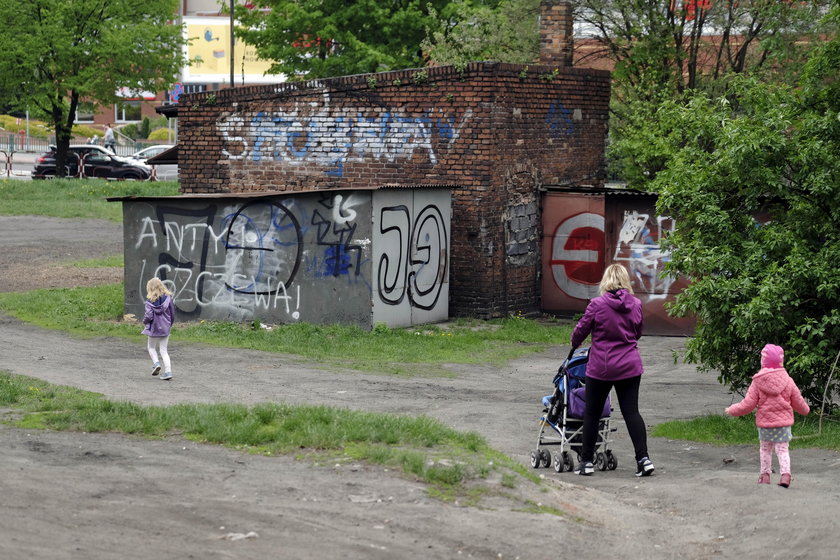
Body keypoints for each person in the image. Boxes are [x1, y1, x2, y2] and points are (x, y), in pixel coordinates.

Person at [570, 263, 654, 477]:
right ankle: (643, 460)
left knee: (592, 413)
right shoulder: (635, 304)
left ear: (605, 281)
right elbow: (638, 331)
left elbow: (582, 328)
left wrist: (575, 342)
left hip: (602, 368)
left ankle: (587, 462)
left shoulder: (597, 304)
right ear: (625, 281)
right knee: (631, 412)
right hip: (630, 366)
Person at [725, 344, 810, 488]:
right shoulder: (788, 380)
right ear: (781, 362)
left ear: (763, 361)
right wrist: (806, 410)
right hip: (783, 425)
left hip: (765, 425)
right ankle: (786, 475)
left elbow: (748, 404)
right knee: (782, 450)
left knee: (765, 450)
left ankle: (765, 476)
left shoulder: (758, 382)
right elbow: (798, 401)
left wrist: (732, 410)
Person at [141, 277, 176, 381]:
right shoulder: (168, 298)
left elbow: (149, 316)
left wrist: (145, 322)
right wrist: (170, 324)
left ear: (150, 288)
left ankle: (156, 363)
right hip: (165, 328)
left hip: (154, 328)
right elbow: (172, 313)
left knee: (151, 347)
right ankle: (168, 372)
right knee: (164, 350)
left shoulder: (149, 302)